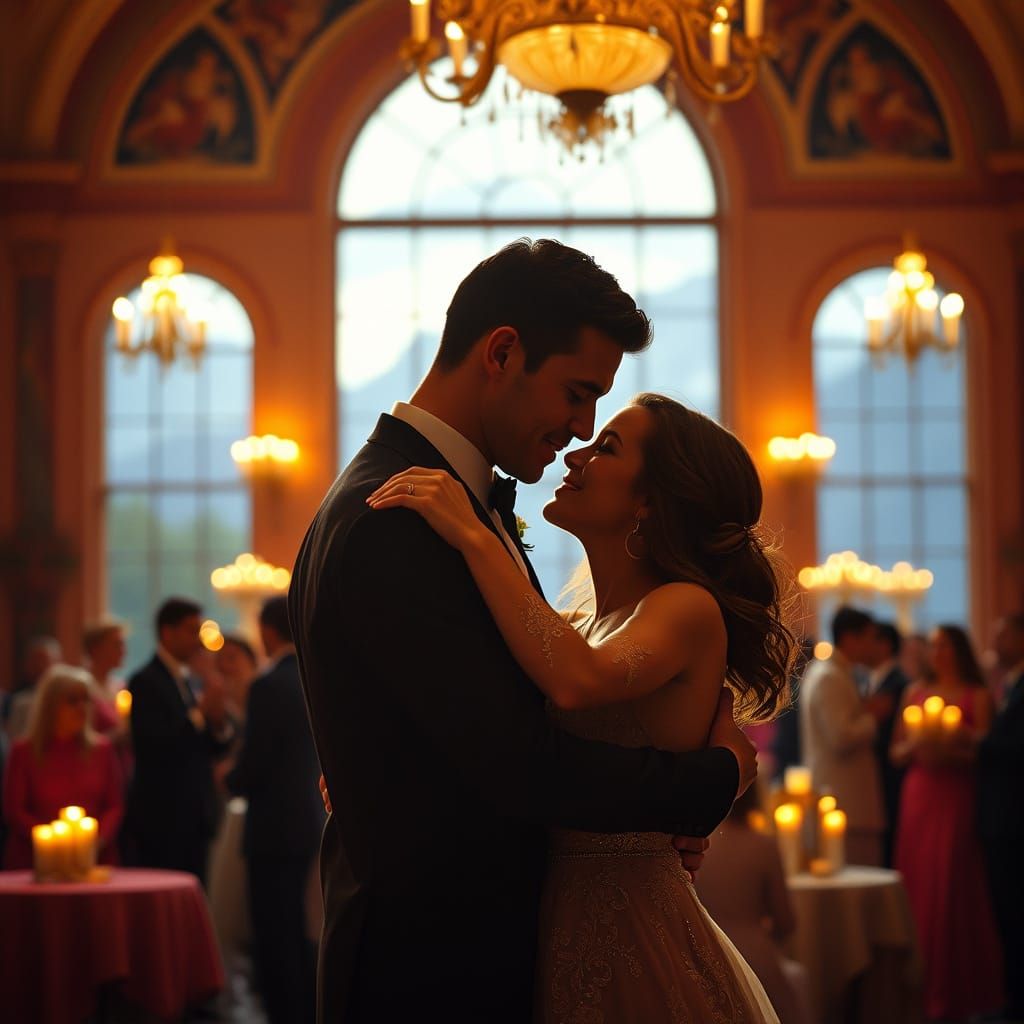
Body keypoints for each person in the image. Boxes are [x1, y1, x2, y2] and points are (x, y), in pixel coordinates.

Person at [290, 239, 760, 1023]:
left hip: (499, 956)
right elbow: (518, 764)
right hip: (431, 976)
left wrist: (644, 842)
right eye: (578, 394)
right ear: (503, 352)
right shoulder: (395, 517)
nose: (582, 429)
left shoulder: (448, 508)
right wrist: (706, 782)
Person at [369, 390, 795, 1020]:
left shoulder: (685, 607)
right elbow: (489, 729)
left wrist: (473, 536)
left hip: (640, 938)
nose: (576, 455)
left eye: (608, 448)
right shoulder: (575, 621)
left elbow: (577, 681)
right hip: (550, 924)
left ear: (650, 500)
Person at [892, 624, 1003, 1021]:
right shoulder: (914, 693)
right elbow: (897, 751)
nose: (937, 652)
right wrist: (919, 746)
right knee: (919, 881)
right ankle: (917, 986)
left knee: (951, 882)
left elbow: (989, 755)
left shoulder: (978, 695)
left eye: (944, 645)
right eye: (933, 645)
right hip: (920, 792)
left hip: (955, 794)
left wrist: (954, 751)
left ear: (959, 649)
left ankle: (955, 987)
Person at [225, 597, 322, 1024]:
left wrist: (229, 779)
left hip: (271, 829)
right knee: (297, 929)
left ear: (266, 631)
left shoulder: (267, 686)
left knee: (272, 932)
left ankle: (282, 1014)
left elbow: (255, 765)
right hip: (307, 820)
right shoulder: (313, 677)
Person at [125, 597, 234, 885]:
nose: (198, 639)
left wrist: (219, 721)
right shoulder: (145, 680)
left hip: (194, 811)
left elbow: (211, 747)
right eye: (190, 630)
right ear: (167, 632)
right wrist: (200, 713)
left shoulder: (188, 679)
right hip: (163, 814)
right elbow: (153, 744)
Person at [695, 785, 812, 1024]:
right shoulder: (763, 846)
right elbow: (786, 921)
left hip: (704, 960)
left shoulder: (696, 846)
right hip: (756, 964)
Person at [3, 665, 123, 869]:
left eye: (86, 700)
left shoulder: (102, 750)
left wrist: (97, 840)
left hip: (93, 858)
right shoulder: (24, 752)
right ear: (50, 706)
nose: (81, 707)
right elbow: (14, 809)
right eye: (72, 700)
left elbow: (114, 805)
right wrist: (53, 842)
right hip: (35, 860)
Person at [798, 606, 887, 865]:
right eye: (870, 637)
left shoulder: (833, 673)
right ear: (850, 638)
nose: (874, 645)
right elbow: (840, 737)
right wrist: (873, 718)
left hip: (845, 799)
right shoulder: (830, 676)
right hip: (846, 800)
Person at [977, 613, 1024, 1023]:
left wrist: (978, 742)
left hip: (1013, 816)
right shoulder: (1007, 685)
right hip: (1000, 815)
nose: (995, 643)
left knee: (1014, 908)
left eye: (1003, 635)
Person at [862, 620, 908, 867]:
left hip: (890, 777)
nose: (865, 646)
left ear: (886, 646)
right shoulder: (870, 679)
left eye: (872, 640)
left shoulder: (899, 683)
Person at [4, 635, 62, 740]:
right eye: (35, 660)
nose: (39, 665)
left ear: (57, 662)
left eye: (44, 660)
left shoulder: (66, 699)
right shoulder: (16, 700)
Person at [216, 632, 259, 725]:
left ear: (252, 662)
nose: (224, 666)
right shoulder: (218, 712)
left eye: (231, 658)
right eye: (218, 661)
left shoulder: (267, 699)